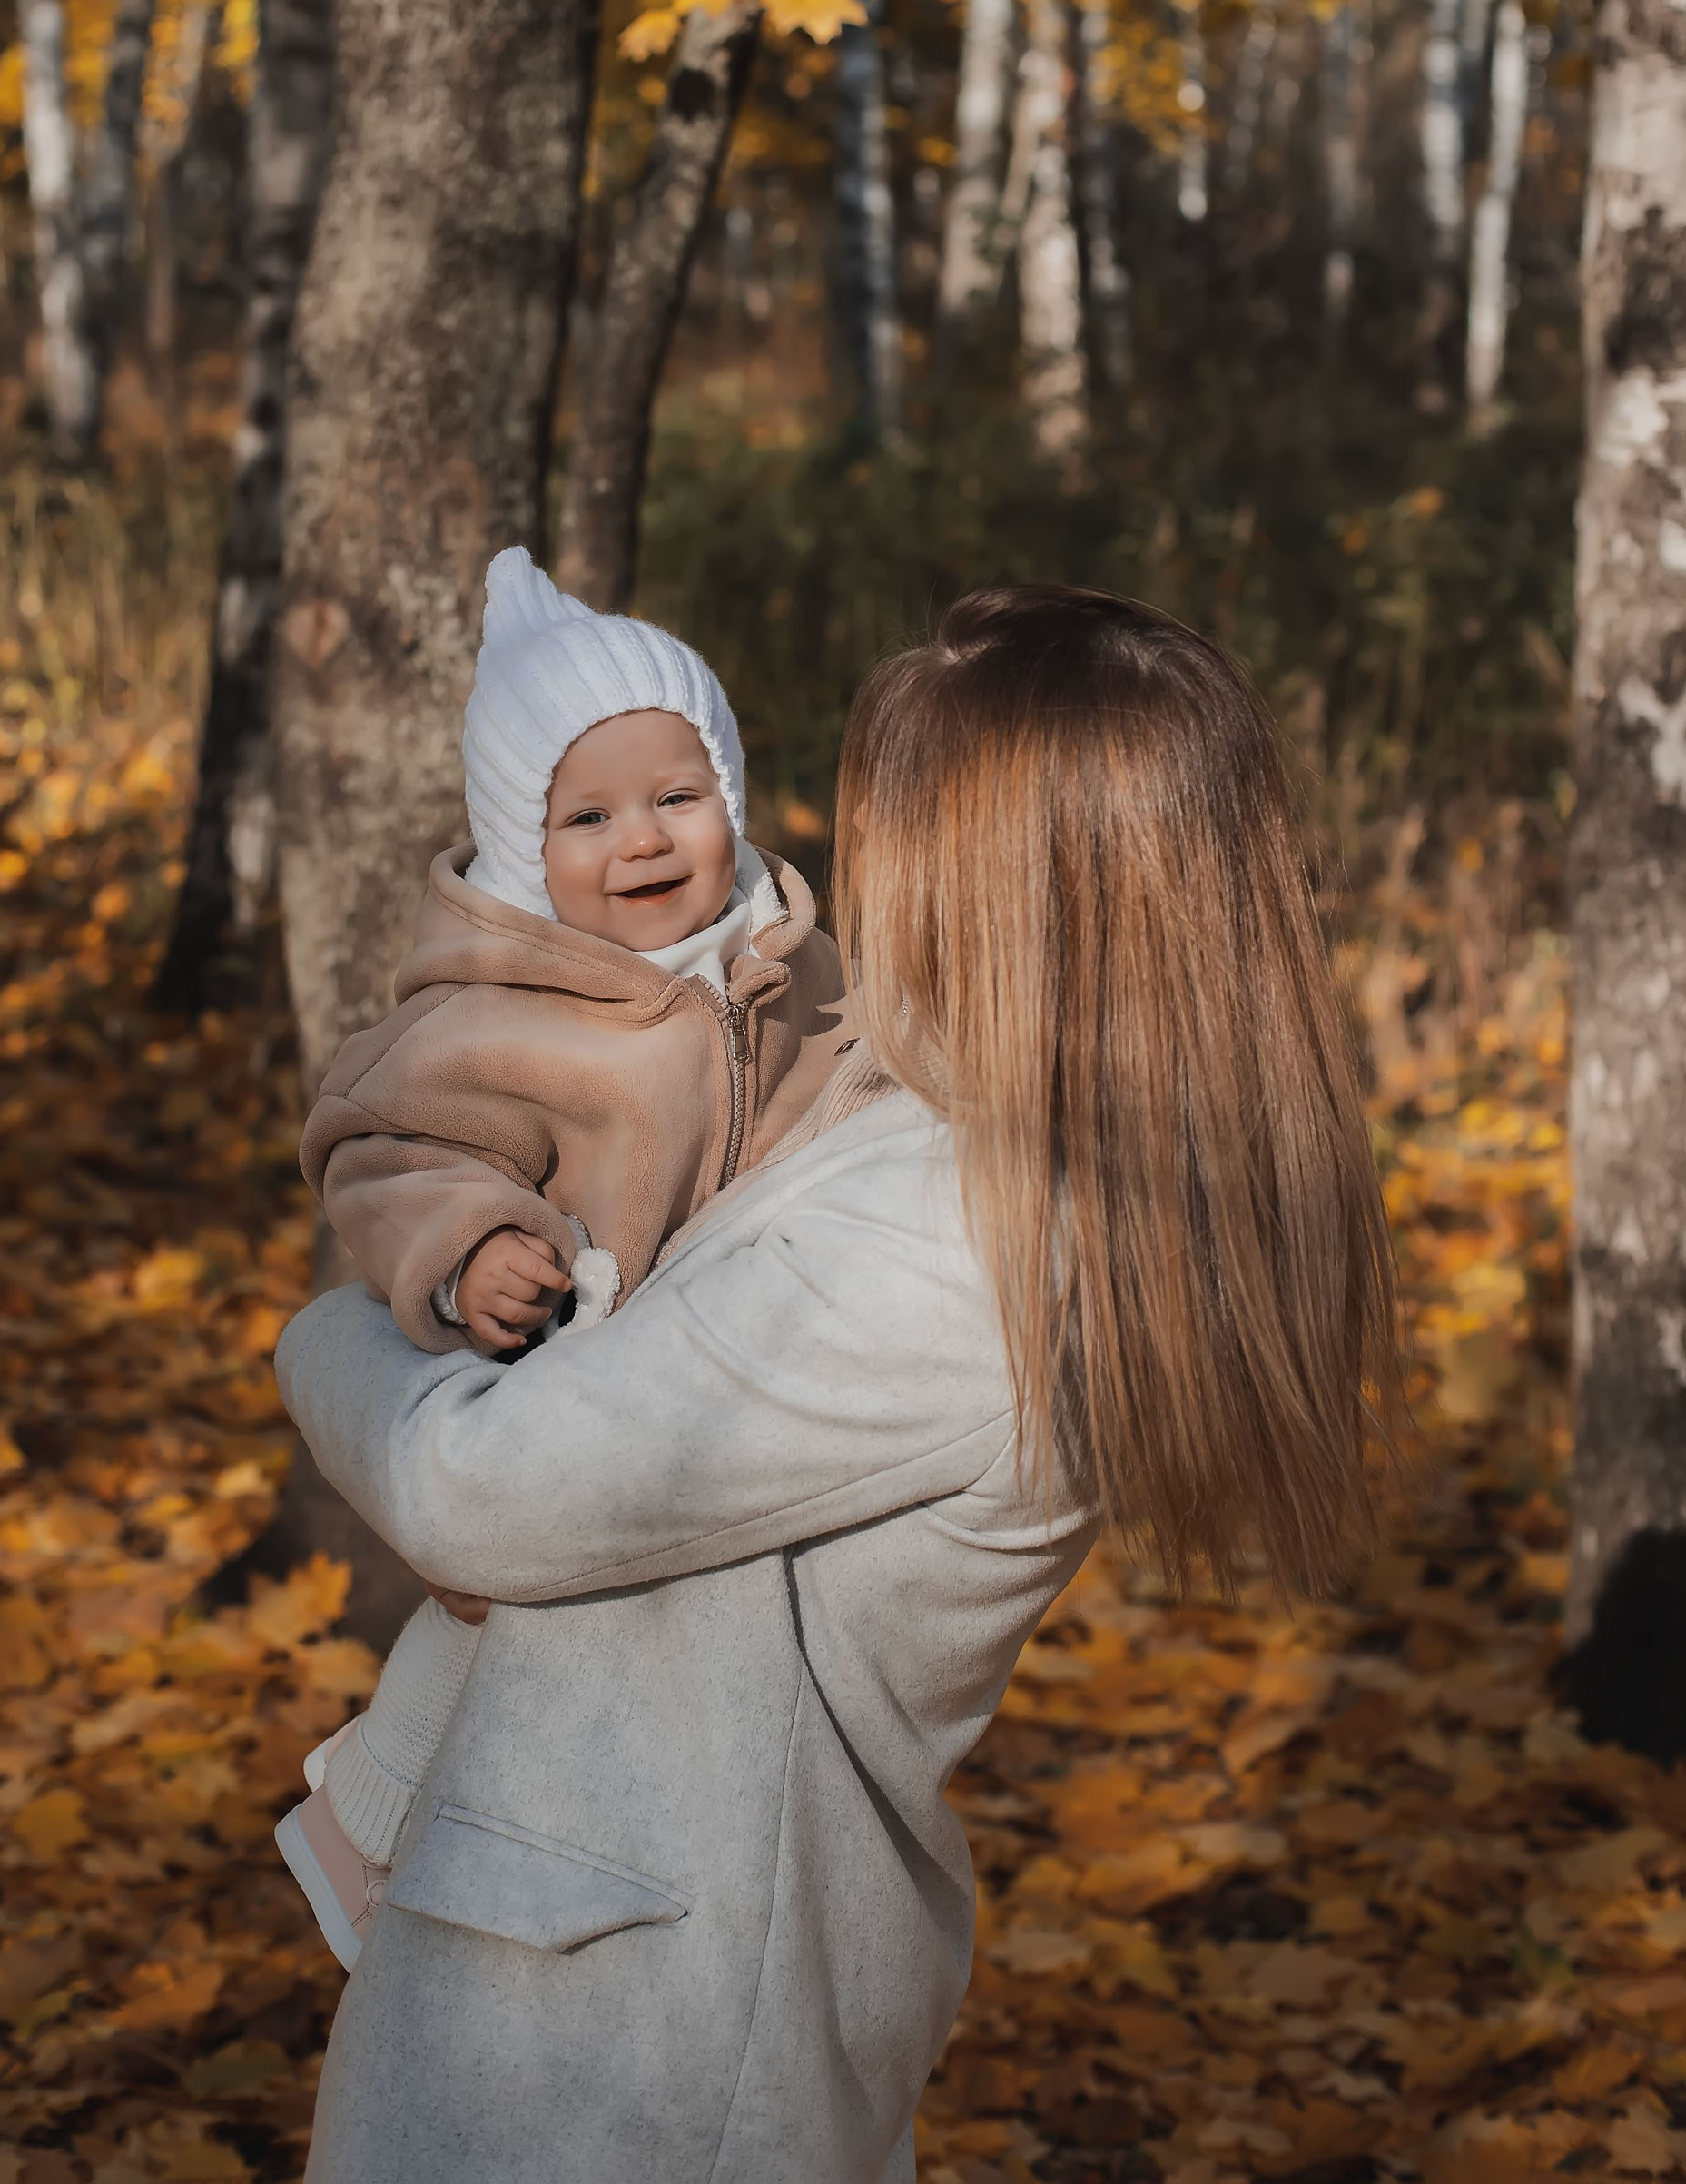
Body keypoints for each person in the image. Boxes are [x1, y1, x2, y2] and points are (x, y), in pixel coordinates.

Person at [276, 584, 1403, 2184]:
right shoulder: (1003, 1162)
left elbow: (480, 1492)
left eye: (891, 832)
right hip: (667, 1976)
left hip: (622, 2050)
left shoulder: (949, 1243)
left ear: (993, 886)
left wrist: (321, 1340)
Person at [275, 548, 850, 1965]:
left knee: (609, 1655)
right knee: (499, 1611)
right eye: (587, 816)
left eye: (677, 796)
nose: (644, 842)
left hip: (719, 1382)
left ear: (730, 794)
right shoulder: (494, 1018)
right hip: (563, 1358)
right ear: (527, 851)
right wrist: (473, 1250)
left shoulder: (792, 961)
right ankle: (372, 1813)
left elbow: (873, 1087)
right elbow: (390, 1150)